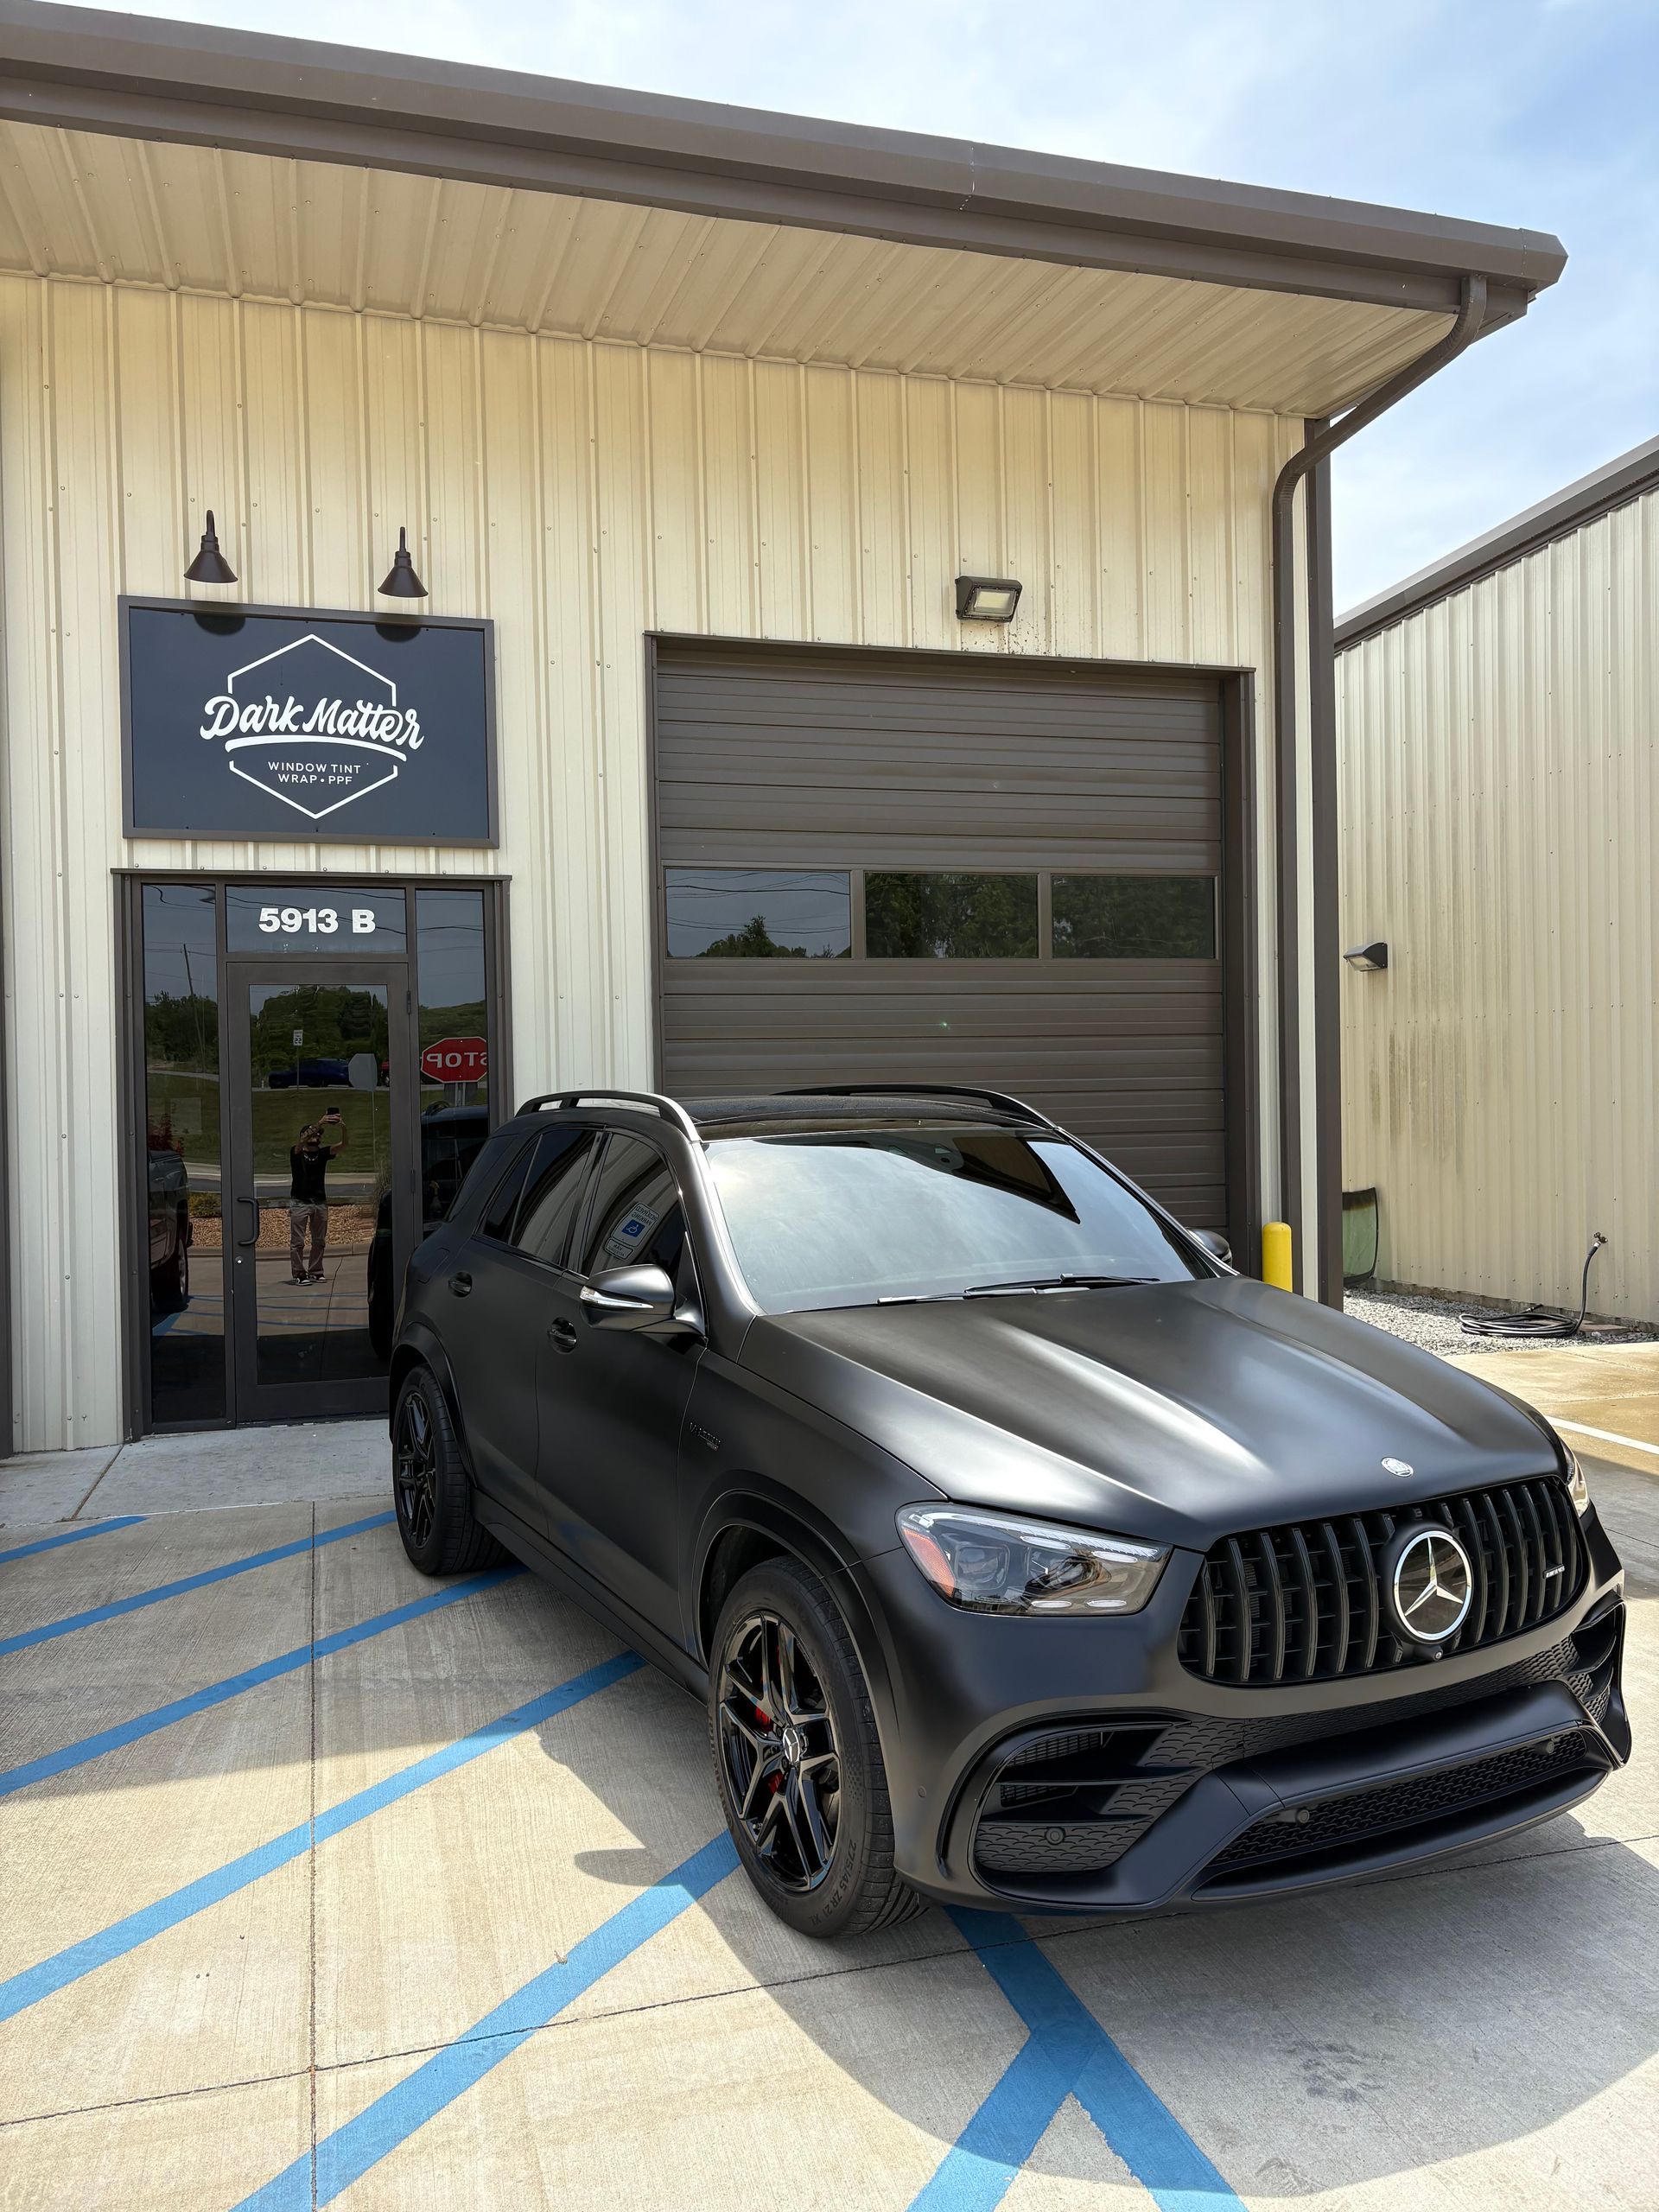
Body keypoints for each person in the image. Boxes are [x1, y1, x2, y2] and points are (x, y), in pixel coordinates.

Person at [289, 1111, 346, 1283]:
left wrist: (343, 1127)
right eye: (312, 1133)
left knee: (319, 1241)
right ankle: (299, 1274)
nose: (316, 1135)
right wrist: (319, 1123)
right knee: (298, 1242)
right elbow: (301, 1141)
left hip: (320, 1202)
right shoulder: (296, 1152)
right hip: (300, 1202)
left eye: (318, 1134)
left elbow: (344, 1144)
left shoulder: (323, 1154)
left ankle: (316, 1271)